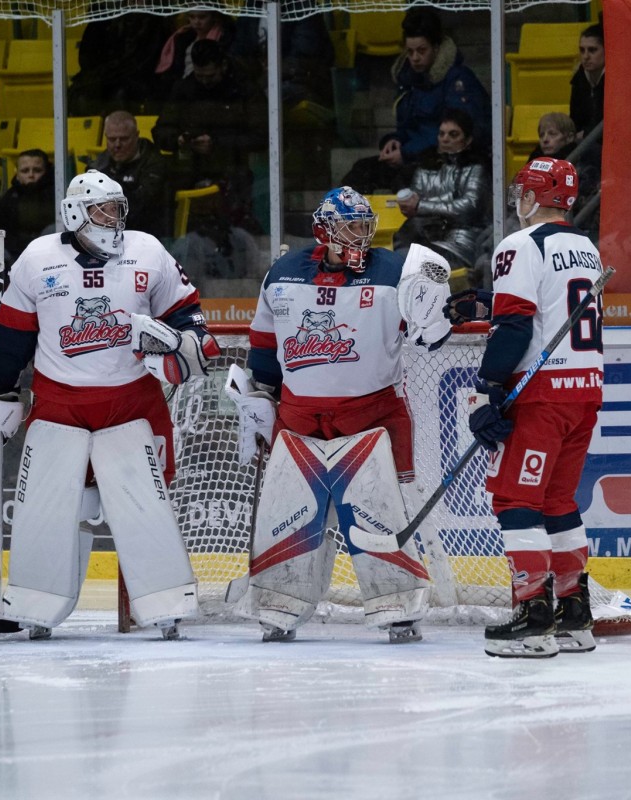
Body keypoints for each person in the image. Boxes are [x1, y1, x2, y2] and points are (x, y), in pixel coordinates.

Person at [0, 170, 218, 640]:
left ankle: (163, 605)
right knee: (66, 505)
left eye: (118, 207)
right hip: (61, 404)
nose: (115, 218)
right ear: (74, 213)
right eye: (104, 209)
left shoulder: (147, 250)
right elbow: (11, 341)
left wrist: (190, 341)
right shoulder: (38, 259)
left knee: (146, 502)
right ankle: (36, 603)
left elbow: (187, 314)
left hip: (134, 402)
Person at [231, 186, 453, 644]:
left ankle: (398, 605)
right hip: (297, 423)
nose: (361, 234)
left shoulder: (394, 271)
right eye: (350, 226)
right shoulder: (284, 274)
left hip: (372, 421)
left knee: (381, 515)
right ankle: (280, 604)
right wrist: (259, 398)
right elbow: (266, 350)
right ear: (324, 231)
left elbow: (430, 337)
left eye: (365, 225)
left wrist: (437, 314)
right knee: (286, 516)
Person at [449, 157, 603, 659]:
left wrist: (488, 388)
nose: (518, 199)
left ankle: (534, 615)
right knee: (558, 501)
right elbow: (547, 305)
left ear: (534, 197)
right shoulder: (586, 247)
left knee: (516, 501)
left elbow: (516, 327)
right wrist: (489, 302)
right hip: (583, 391)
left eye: (522, 191)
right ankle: (573, 613)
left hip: (541, 395)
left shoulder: (519, 244)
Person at [341, 7, 489, 195]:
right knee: (361, 171)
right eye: (410, 52)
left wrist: (407, 153)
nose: (415, 58)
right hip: (412, 157)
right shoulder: (409, 80)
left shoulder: (458, 81)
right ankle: (345, 222)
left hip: (446, 162)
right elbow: (407, 127)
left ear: (436, 48)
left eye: (421, 50)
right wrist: (395, 141)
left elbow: (454, 135)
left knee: (404, 179)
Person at [152, 39, 266, 232]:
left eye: (210, 76)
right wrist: (178, 140)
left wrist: (217, 143)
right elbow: (161, 130)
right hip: (191, 167)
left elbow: (262, 136)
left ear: (222, 65)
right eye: (200, 75)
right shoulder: (185, 89)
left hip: (233, 165)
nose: (204, 81)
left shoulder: (244, 88)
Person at [392, 108, 488, 280]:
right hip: (425, 239)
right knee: (397, 260)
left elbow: (469, 207)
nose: (445, 139)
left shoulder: (476, 168)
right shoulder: (425, 166)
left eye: (453, 134)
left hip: (460, 246)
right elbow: (415, 206)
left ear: (467, 140)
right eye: (442, 134)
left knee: (405, 262)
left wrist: (422, 206)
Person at [0, 148, 56, 293]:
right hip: (14, 257)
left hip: (46, 260)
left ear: (47, 171)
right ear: (17, 174)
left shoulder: (56, 196)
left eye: (37, 170)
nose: (31, 175)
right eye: (25, 171)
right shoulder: (8, 199)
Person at [68, 8, 169, 116]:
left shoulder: (156, 23)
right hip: (105, 75)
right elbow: (86, 56)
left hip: (138, 78)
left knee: (120, 93)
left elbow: (148, 59)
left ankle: (121, 129)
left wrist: (118, 71)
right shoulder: (103, 21)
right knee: (82, 95)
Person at [91, 110, 171, 239]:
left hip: (145, 235)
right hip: (104, 233)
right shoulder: (99, 164)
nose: (117, 145)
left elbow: (140, 208)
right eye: (112, 139)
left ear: (136, 136)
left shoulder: (154, 163)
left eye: (124, 139)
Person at [570, 23, 605, 142]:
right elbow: (574, 120)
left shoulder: (617, 81)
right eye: (582, 50)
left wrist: (585, 134)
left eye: (592, 50)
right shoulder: (579, 78)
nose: (585, 56)